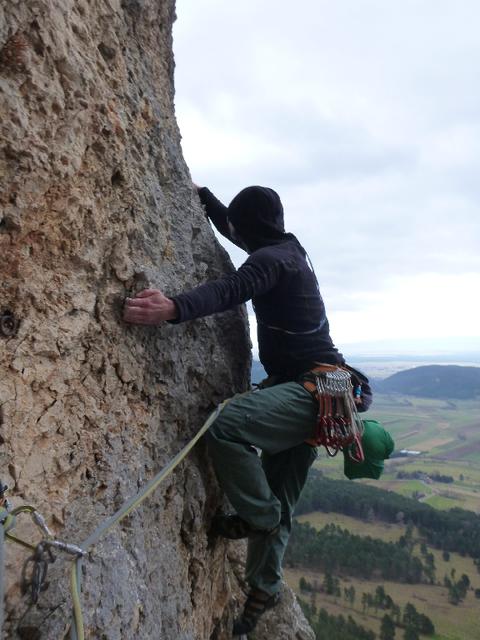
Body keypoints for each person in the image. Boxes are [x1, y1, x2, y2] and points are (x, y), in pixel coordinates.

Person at [123, 184, 372, 635]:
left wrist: (174, 308)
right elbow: (240, 236)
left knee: (227, 429)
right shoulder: (287, 249)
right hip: (327, 392)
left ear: (249, 228)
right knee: (282, 494)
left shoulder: (270, 261)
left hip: (308, 391)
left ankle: (257, 519)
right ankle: (264, 585)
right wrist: (204, 197)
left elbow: (232, 288)